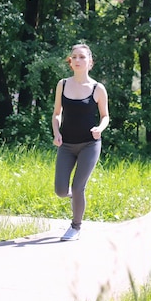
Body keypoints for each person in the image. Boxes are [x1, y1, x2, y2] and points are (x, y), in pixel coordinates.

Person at [51, 43, 110, 241]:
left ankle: (75, 227)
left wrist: (100, 129)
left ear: (90, 62)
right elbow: (57, 114)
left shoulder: (97, 88)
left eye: (82, 57)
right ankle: (75, 199)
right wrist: (56, 132)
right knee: (60, 190)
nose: (77, 60)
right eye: (74, 57)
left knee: (78, 187)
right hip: (66, 145)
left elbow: (105, 116)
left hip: (89, 145)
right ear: (70, 62)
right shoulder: (63, 84)